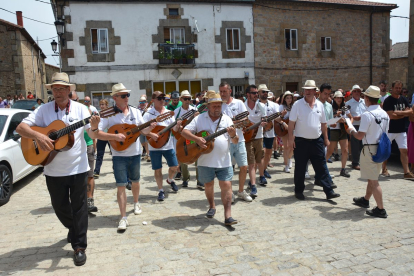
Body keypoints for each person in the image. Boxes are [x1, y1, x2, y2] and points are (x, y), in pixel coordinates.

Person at [16, 72, 92, 266]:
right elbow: (21, 128)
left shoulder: (82, 109)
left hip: (78, 167)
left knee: (80, 207)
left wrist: (97, 126)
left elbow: (93, 132)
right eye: (54, 89)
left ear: (69, 90)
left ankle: (79, 247)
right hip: (53, 169)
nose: (57, 92)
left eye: (61, 88)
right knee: (59, 207)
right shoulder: (43, 110)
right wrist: (39, 136)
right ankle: (74, 229)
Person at [89, 83, 155, 231]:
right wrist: (114, 136)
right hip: (118, 155)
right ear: (115, 97)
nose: (127, 98)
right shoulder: (108, 114)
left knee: (136, 181)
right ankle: (123, 217)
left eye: (128, 95)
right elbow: (96, 133)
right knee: (121, 185)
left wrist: (150, 128)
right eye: (123, 95)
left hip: (135, 153)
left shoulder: (135, 112)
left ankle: (136, 202)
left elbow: (142, 131)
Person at [181, 92, 239, 225]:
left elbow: (235, 141)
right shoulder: (200, 118)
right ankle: (212, 206)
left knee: (226, 185)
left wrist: (233, 134)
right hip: (205, 161)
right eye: (214, 106)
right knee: (209, 185)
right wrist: (197, 139)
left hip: (224, 160)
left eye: (219, 106)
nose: (217, 108)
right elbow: (184, 132)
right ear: (208, 106)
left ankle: (228, 215)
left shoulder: (227, 120)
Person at [287, 80, 340, 200]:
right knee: (300, 168)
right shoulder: (297, 105)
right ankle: (299, 191)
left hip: (317, 141)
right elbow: (291, 124)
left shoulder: (320, 105)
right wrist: (291, 139)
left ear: (315, 91)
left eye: (310, 90)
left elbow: (323, 124)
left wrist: (326, 139)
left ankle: (329, 191)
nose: (308, 92)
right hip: (301, 141)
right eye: (306, 89)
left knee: (321, 167)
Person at [347, 86, 389, 218]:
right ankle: (365, 200)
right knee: (373, 177)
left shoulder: (367, 114)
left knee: (374, 181)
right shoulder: (385, 113)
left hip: (369, 149)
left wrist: (351, 130)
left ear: (366, 98)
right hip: (381, 148)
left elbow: (360, 136)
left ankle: (381, 209)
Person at [144, 91, 180, 201]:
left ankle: (170, 179)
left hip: (168, 144)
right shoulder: (148, 114)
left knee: (175, 167)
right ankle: (160, 190)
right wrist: (151, 133)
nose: (162, 100)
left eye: (163, 98)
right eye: (159, 98)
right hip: (154, 146)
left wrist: (177, 125)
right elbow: (143, 131)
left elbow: (174, 130)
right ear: (153, 100)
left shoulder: (169, 112)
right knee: (157, 169)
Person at [219, 82, 252, 202]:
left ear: (230, 91)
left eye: (224, 91)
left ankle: (241, 191)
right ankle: (230, 193)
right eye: (220, 91)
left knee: (244, 166)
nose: (222, 94)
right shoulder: (219, 105)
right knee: (228, 168)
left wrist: (236, 123)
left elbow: (245, 120)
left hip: (240, 139)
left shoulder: (239, 103)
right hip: (225, 142)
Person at [381, 80, 414, 179]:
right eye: (396, 88)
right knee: (386, 150)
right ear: (392, 88)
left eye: (400, 88)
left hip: (401, 130)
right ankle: (384, 169)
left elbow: (410, 112)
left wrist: (398, 113)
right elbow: (390, 116)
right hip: (390, 130)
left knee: (404, 151)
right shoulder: (388, 100)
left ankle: (406, 172)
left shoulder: (403, 99)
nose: (398, 90)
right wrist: (404, 113)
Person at [244, 85, 268, 198]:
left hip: (259, 136)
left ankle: (256, 178)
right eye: (254, 93)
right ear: (248, 94)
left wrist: (264, 122)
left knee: (259, 160)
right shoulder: (242, 107)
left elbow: (265, 119)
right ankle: (253, 185)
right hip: (247, 138)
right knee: (251, 163)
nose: (256, 95)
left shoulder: (261, 106)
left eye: (256, 93)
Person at [173, 90, 198, 187]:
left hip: (192, 135)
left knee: (197, 155)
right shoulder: (176, 111)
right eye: (185, 99)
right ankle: (185, 178)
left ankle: (199, 180)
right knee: (183, 157)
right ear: (181, 99)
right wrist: (178, 126)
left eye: (189, 99)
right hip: (181, 137)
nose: (187, 101)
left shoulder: (194, 110)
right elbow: (174, 127)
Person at [326, 91, 353, 178]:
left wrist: (349, 124)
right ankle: (322, 168)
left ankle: (343, 169)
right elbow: (328, 119)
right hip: (334, 130)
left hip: (343, 130)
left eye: (340, 98)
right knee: (330, 151)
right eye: (337, 98)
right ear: (334, 98)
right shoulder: (330, 107)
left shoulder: (344, 107)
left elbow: (351, 117)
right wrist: (337, 118)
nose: (339, 99)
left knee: (345, 150)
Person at [258, 84, 279, 177]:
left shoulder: (273, 105)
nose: (265, 93)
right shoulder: (255, 105)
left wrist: (282, 118)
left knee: (269, 153)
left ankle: (264, 169)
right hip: (258, 133)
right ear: (258, 93)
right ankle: (261, 174)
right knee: (263, 152)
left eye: (266, 92)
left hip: (270, 131)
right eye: (263, 91)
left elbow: (278, 118)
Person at [347, 84, 367, 170]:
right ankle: (355, 162)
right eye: (354, 91)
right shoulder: (348, 103)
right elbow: (346, 115)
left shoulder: (365, 101)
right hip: (354, 125)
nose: (356, 93)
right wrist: (353, 118)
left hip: (363, 124)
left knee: (364, 144)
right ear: (352, 93)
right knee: (355, 145)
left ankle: (363, 161)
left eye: (358, 91)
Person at [93, 99, 111, 178]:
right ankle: (97, 171)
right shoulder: (99, 115)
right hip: (102, 136)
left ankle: (115, 168)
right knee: (100, 154)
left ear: (107, 105)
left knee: (114, 154)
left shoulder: (111, 114)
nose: (102, 106)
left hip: (111, 136)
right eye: (100, 104)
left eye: (103, 104)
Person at [277, 91, 294, 172]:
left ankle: (289, 159)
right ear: (284, 99)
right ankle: (286, 164)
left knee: (292, 147)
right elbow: (277, 118)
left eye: (290, 98)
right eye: (287, 98)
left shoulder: (294, 106)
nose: (289, 99)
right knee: (286, 146)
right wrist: (283, 121)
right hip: (284, 128)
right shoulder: (281, 107)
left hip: (293, 128)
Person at [138, 95, 151, 162]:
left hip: (147, 128)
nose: (142, 103)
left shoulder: (149, 110)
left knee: (146, 142)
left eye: (144, 102)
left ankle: (149, 155)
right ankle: (147, 153)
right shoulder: (138, 111)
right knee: (142, 142)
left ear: (146, 102)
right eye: (141, 102)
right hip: (141, 128)